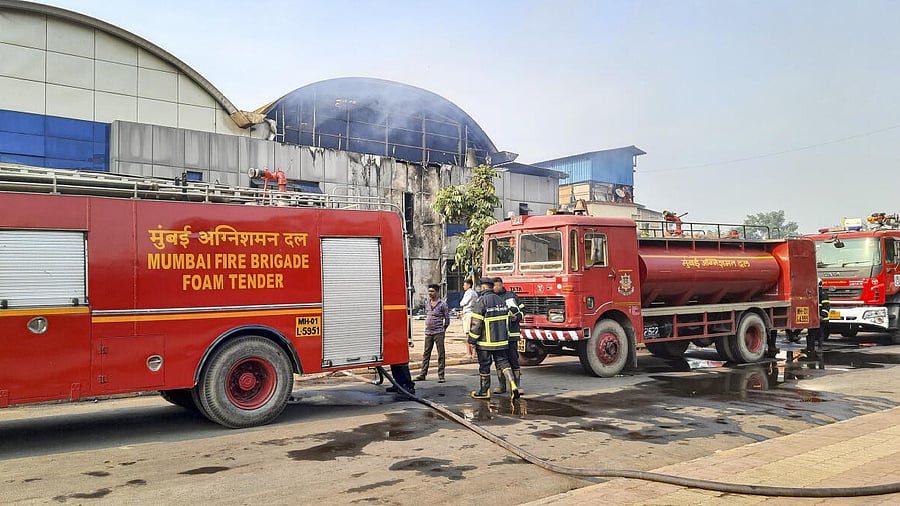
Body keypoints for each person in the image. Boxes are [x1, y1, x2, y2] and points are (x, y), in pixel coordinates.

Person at [468, 277, 519, 399]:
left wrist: (472, 340)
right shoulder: (501, 300)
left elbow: (476, 324)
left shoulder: (482, 301)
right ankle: (513, 385)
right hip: (501, 341)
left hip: (485, 342)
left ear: (484, 287)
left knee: (485, 365)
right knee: (503, 363)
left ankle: (484, 391)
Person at [493, 277, 524, 394]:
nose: (495, 288)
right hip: (498, 336)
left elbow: (523, 310)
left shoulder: (512, 296)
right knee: (500, 361)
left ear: (502, 285)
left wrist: (517, 317)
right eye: (493, 286)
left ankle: (517, 385)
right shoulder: (492, 298)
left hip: (512, 334)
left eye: (497, 285)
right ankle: (502, 386)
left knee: (513, 359)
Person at [414, 283, 450, 383]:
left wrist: (443, 329)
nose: (430, 293)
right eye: (429, 291)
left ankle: (441, 376)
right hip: (428, 332)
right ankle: (422, 374)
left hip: (439, 332)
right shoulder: (427, 303)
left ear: (437, 292)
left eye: (432, 291)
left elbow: (447, 319)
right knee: (426, 354)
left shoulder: (442, 304)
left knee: (441, 354)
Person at [386, 328, 416, 396]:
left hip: (400, 337)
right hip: (392, 336)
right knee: (393, 361)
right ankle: (398, 384)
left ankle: (408, 385)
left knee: (402, 362)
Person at [806, 279, 830, 357]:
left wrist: (822, 316)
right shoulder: (813, 293)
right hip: (813, 318)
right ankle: (810, 347)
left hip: (821, 319)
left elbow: (826, 306)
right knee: (810, 333)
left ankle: (820, 347)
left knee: (820, 334)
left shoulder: (823, 293)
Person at [459, 279, 479, 359]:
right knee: (473, 333)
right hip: (472, 313)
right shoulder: (474, 293)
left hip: (468, 314)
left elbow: (462, 303)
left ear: (469, 285)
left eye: (465, 285)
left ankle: (469, 353)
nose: (463, 286)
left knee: (468, 334)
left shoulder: (469, 293)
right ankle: (474, 353)